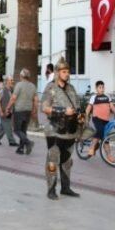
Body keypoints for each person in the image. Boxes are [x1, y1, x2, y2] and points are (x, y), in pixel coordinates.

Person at [42, 58, 80, 199]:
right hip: (54, 130)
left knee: (67, 161)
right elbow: (44, 108)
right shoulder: (50, 88)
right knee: (53, 160)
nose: (67, 74)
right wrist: (63, 111)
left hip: (69, 131)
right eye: (64, 72)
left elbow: (76, 105)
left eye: (68, 72)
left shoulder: (71, 89)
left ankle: (66, 187)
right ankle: (51, 189)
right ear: (57, 73)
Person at [6, 68, 37, 155]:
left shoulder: (19, 85)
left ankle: (28, 142)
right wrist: (34, 111)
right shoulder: (33, 86)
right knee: (23, 131)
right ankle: (20, 149)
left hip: (19, 110)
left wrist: (8, 107)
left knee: (16, 130)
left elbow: (13, 98)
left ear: (21, 76)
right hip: (28, 111)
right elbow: (35, 100)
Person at [85, 80, 115, 158]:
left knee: (106, 138)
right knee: (100, 130)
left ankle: (109, 156)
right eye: (100, 87)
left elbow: (112, 106)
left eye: (103, 87)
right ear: (96, 88)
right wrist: (86, 117)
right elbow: (88, 108)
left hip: (106, 120)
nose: (102, 89)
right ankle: (91, 148)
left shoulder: (107, 96)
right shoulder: (94, 97)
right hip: (97, 118)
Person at [0, 75, 18, 146]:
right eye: (11, 80)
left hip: (9, 111)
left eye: (13, 80)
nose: (13, 81)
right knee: (8, 125)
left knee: (3, 126)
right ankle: (12, 141)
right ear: (7, 81)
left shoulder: (11, 90)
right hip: (4, 111)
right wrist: (0, 111)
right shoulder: (3, 90)